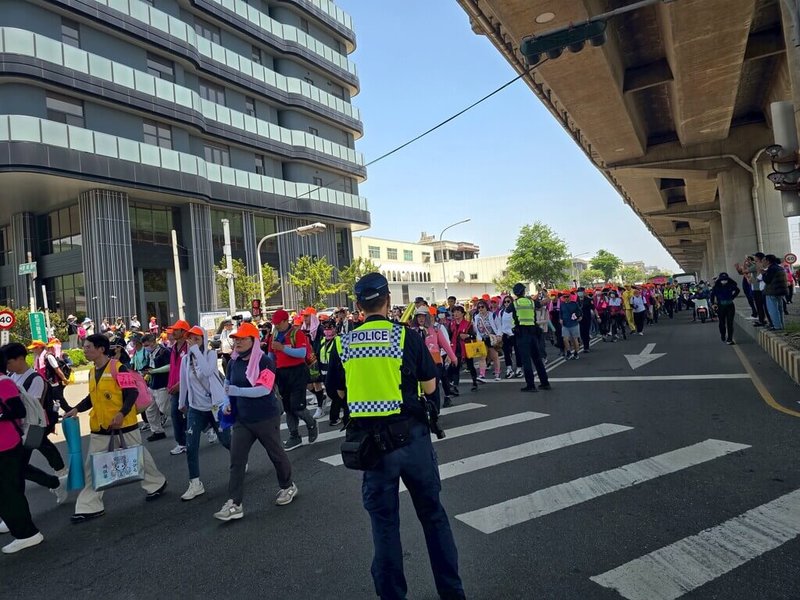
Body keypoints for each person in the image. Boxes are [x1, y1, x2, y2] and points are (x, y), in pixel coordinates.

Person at [325, 273, 465, 600]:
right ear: (388, 301)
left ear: (358, 305)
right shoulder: (407, 338)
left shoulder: (343, 344)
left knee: (385, 527)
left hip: (372, 447)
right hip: (413, 438)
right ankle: (452, 593)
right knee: (433, 518)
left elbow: (340, 393)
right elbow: (431, 386)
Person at [64, 334, 167, 523]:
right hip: (100, 427)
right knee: (92, 468)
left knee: (139, 457)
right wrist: (76, 409)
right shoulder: (92, 371)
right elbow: (91, 398)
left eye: (88, 347)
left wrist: (121, 413)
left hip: (124, 425)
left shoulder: (118, 367)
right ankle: (89, 506)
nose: (84, 351)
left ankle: (156, 483)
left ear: (101, 349)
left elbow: (131, 392)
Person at [214, 322, 296, 521]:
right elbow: (227, 384)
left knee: (276, 453)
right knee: (236, 460)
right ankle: (235, 503)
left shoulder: (265, 361)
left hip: (265, 417)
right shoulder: (233, 361)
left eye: (242, 339)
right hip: (242, 419)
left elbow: (264, 389)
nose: (237, 342)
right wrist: (226, 402)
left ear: (254, 340)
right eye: (235, 339)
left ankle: (288, 486)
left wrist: (237, 392)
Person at [4, 342, 69, 504]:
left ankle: (58, 477)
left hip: (33, 427)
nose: (6, 365)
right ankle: (57, 478)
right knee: (22, 464)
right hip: (20, 429)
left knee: (21, 465)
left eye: (8, 361)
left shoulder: (35, 379)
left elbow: (33, 407)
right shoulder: (11, 377)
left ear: (19, 359)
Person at [0, 346, 44, 554]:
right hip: (5, 445)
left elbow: (18, 410)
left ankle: (27, 533)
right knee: (8, 490)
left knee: (9, 491)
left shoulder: (4, 383)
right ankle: (17, 525)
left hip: (7, 444)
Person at [178, 326, 224, 501]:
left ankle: (239, 459)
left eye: (197, 339)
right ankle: (195, 483)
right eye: (191, 339)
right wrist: (182, 403)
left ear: (204, 340)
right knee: (191, 446)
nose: (193, 342)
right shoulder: (185, 360)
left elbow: (207, 371)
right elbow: (183, 382)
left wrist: (196, 350)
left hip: (214, 406)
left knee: (226, 440)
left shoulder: (210, 355)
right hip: (195, 408)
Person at [268, 310, 318, 451]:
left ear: (285, 321)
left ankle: (311, 423)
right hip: (281, 373)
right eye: (275, 323)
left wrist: (283, 348)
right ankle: (294, 435)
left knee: (297, 405)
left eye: (278, 323)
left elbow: (301, 353)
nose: (276, 326)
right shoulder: (274, 336)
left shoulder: (297, 333)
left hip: (297, 371)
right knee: (288, 407)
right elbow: (271, 355)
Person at [511, 283, 551, 392]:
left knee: (526, 360)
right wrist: (541, 291)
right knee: (537, 359)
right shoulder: (531, 302)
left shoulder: (515, 304)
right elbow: (545, 301)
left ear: (515, 293)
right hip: (533, 333)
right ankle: (545, 382)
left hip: (522, 333)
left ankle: (531, 385)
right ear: (524, 292)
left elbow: (507, 311)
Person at [140, 334, 171, 442]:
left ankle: (184, 420)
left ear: (153, 342)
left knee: (165, 409)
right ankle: (157, 431)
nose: (145, 347)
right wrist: (147, 374)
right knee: (150, 409)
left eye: (147, 345)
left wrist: (154, 371)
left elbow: (170, 366)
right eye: (144, 345)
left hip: (162, 384)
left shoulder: (164, 351)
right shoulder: (151, 353)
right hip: (152, 385)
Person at [166, 320, 190, 455]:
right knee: (175, 413)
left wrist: (181, 384)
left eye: (176, 330)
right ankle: (182, 443)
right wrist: (171, 385)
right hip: (175, 388)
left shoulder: (190, 347)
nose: (173, 332)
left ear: (184, 332)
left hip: (187, 387)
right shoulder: (174, 347)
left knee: (191, 412)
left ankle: (208, 425)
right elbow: (173, 369)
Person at [447, 305, 479, 393]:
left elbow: (474, 336)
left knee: (470, 365)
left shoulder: (468, 324)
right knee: (456, 366)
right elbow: (448, 336)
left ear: (463, 314)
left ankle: (474, 382)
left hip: (466, 347)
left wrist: (467, 335)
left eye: (458, 312)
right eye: (454, 312)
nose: (456, 314)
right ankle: (455, 386)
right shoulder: (451, 324)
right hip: (455, 348)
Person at [472, 300, 502, 381]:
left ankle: (497, 373)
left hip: (491, 338)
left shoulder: (492, 315)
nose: (480, 309)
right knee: (482, 357)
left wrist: (499, 335)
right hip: (482, 338)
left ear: (486, 307)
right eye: (479, 307)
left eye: (482, 307)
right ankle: (482, 374)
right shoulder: (476, 317)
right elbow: (476, 329)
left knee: (494, 356)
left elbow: (499, 326)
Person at [710, 273, 740, 344]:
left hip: (730, 306)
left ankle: (730, 339)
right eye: (722, 280)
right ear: (720, 280)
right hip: (721, 306)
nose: (724, 281)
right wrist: (713, 304)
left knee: (730, 323)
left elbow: (737, 290)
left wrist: (732, 297)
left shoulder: (730, 285)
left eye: (725, 279)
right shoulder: (716, 287)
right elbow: (712, 296)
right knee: (722, 322)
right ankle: (723, 334)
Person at [763, 254, 788, 330]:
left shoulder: (771, 268)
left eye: (765, 260)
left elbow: (767, 280)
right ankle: (781, 325)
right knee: (780, 309)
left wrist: (763, 274)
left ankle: (777, 326)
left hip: (772, 291)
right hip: (781, 291)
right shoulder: (780, 268)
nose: (764, 262)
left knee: (773, 309)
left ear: (768, 261)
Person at [559, 292, 583, 359]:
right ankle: (569, 352)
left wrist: (580, 317)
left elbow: (579, 311)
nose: (566, 298)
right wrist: (560, 319)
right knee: (565, 339)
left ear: (570, 297)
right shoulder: (562, 304)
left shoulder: (574, 303)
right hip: (565, 324)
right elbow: (560, 313)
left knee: (574, 339)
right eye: (564, 297)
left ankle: (576, 352)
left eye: (567, 297)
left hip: (574, 323)